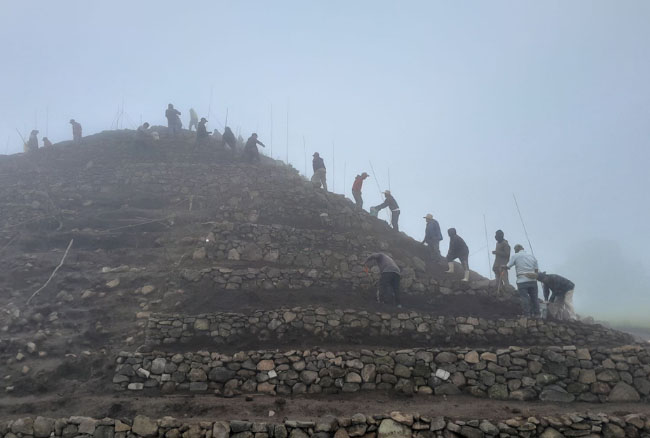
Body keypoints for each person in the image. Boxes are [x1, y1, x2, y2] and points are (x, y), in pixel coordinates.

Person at [504, 244, 539, 317]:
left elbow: (507, 266)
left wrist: (502, 267)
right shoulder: (532, 256)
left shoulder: (516, 256)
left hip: (522, 281)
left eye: (515, 250)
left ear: (517, 249)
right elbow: (536, 270)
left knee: (525, 298)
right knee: (534, 298)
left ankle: (527, 315)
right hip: (533, 280)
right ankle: (537, 314)